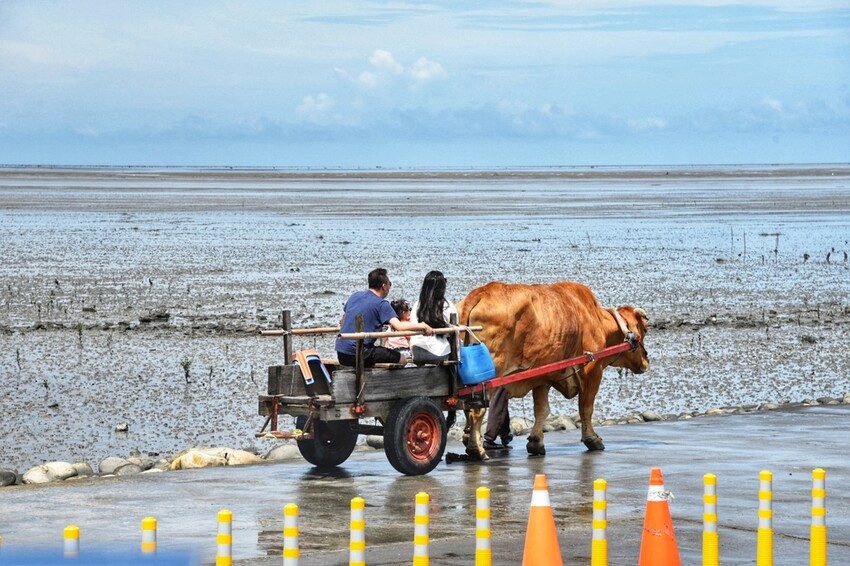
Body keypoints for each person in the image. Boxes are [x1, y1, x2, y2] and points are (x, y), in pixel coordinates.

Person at [335, 268, 433, 367]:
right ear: (384, 285)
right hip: (359, 353)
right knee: (402, 359)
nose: (390, 287)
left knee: (379, 353)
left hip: (341, 353)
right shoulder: (381, 304)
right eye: (389, 283)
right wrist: (422, 325)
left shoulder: (355, 296)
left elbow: (343, 321)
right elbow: (399, 326)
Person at [409, 270, 457, 364]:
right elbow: (452, 334)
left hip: (417, 351)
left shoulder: (417, 305)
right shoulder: (448, 306)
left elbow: (413, 325)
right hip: (438, 352)